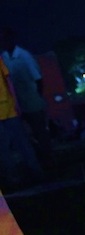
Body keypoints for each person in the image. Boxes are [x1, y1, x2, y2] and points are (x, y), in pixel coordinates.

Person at [0, 27, 52, 173]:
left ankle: (47, 162)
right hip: (16, 102)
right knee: (24, 135)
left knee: (39, 132)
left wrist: (37, 97)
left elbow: (38, 78)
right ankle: (37, 163)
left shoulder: (24, 56)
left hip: (30, 100)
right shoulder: (4, 57)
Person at [0, 56, 44, 192]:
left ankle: (19, 177)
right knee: (15, 145)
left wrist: (15, 102)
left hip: (8, 107)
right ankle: (26, 176)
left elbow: (8, 80)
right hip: (8, 106)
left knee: (9, 147)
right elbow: (8, 80)